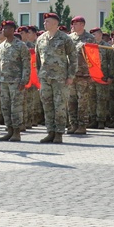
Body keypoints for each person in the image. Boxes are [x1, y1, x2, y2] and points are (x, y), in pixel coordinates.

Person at [34, 12, 77, 143]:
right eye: (44, 21)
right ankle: (50, 132)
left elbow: (73, 58)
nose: (44, 24)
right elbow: (37, 60)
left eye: (47, 21)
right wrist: (39, 76)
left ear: (55, 23)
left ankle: (59, 133)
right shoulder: (40, 39)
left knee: (60, 106)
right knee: (47, 105)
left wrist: (70, 76)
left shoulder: (65, 38)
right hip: (45, 78)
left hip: (60, 78)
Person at [0, 20, 30, 142]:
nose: (4, 31)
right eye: (3, 28)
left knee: (16, 108)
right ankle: (9, 130)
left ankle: (16, 132)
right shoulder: (1, 46)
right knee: (5, 107)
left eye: (7, 28)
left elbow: (26, 65)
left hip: (16, 81)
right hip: (3, 81)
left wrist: (24, 80)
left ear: (13, 30)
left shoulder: (21, 46)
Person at [67, 16, 97, 135]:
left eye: (76, 24)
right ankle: (73, 124)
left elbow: (94, 58)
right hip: (71, 75)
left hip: (84, 75)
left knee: (83, 101)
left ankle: (82, 125)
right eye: (73, 24)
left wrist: (92, 74)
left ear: (82, 25)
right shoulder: (69, 38)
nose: (73, 26)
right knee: (71, 101)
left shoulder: (90, 38)